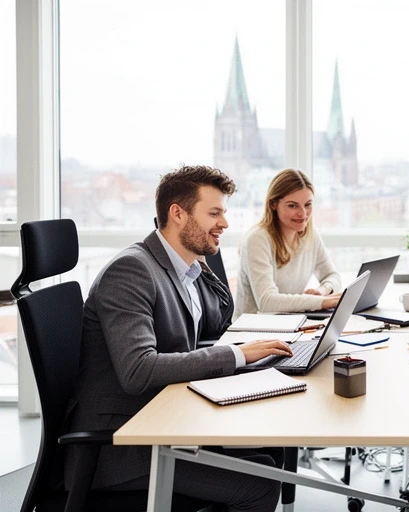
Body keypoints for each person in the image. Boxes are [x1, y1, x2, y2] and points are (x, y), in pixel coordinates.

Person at [65, 165, 294, 511]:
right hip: (121, 446)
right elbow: (139, 370)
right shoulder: (131, 270)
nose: (225, 223)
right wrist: (238, 355)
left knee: (266, 457)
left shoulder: (181, 268)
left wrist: (199, 264)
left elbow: (217, 323)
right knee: (260, 485)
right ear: (178, 214)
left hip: (163, 418)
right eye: (214, 213)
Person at [235, 168, 342, 319]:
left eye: (308, 204)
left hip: (288, 323)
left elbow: (332, 276)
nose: (303, 213)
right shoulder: (257, 239)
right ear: (273, 204)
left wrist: (322, 291)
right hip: (253, 328)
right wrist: (322, 302)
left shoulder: (310, 234)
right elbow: (267, 302)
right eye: (293, 205)